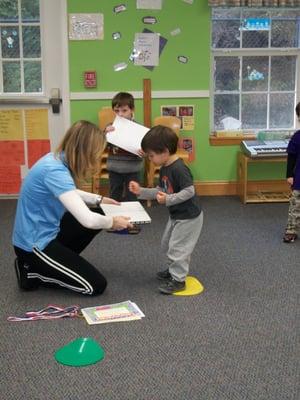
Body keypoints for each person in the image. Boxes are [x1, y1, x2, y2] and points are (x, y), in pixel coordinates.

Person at [12, 120, 132, 295]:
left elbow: (68, 192)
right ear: (86, 152)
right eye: (96, 153)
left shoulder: (56, 159)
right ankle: (33, 272)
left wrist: (99, 200)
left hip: (46, 231)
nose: (98, 158)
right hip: (34, 245)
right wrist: (112, 222)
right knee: (95, 286)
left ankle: (55, 264)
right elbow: (88, 220)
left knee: (98, 212)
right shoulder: (55, 171)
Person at [129, 125, 203, 294]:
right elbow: (161, 191)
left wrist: (169, 199)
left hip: (189, 217)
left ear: (165, 151)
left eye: (152, 155)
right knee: (168, 243)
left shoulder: (179, 168)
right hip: (176, 214)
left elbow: (189, 191)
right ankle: (172, 271)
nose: (150, 159)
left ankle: (178, 280)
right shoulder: (164, 167)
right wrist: (141, 191)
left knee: (179, 248)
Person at [106, 92, 143, 202]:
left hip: (132, 169)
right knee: (114, 195)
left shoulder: (139, 129)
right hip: (114, 168)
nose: (120, 114)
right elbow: (101, 145)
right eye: (117, 111)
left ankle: (133, 218)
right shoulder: (110, 127)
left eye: (124, 110)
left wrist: (144, 152)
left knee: (132, 197)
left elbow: (145, 150)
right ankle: (114, 218)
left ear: (132, 110)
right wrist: (105, 134)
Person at [283, 102, 300, 243]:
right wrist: (289, 175)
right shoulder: (297, 137)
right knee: (296, 206)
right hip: (299, 180)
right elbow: (291, 157)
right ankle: (291, 230)